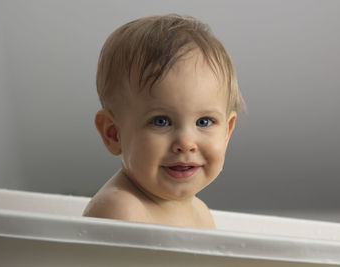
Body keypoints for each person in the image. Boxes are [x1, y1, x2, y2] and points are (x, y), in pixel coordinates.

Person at [83, 14, 245, 229]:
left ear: (227, 131)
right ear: (113, 133)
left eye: (204, 122)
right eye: (161, 121)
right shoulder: (121, 210)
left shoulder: (200, 213)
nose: (186, 142)